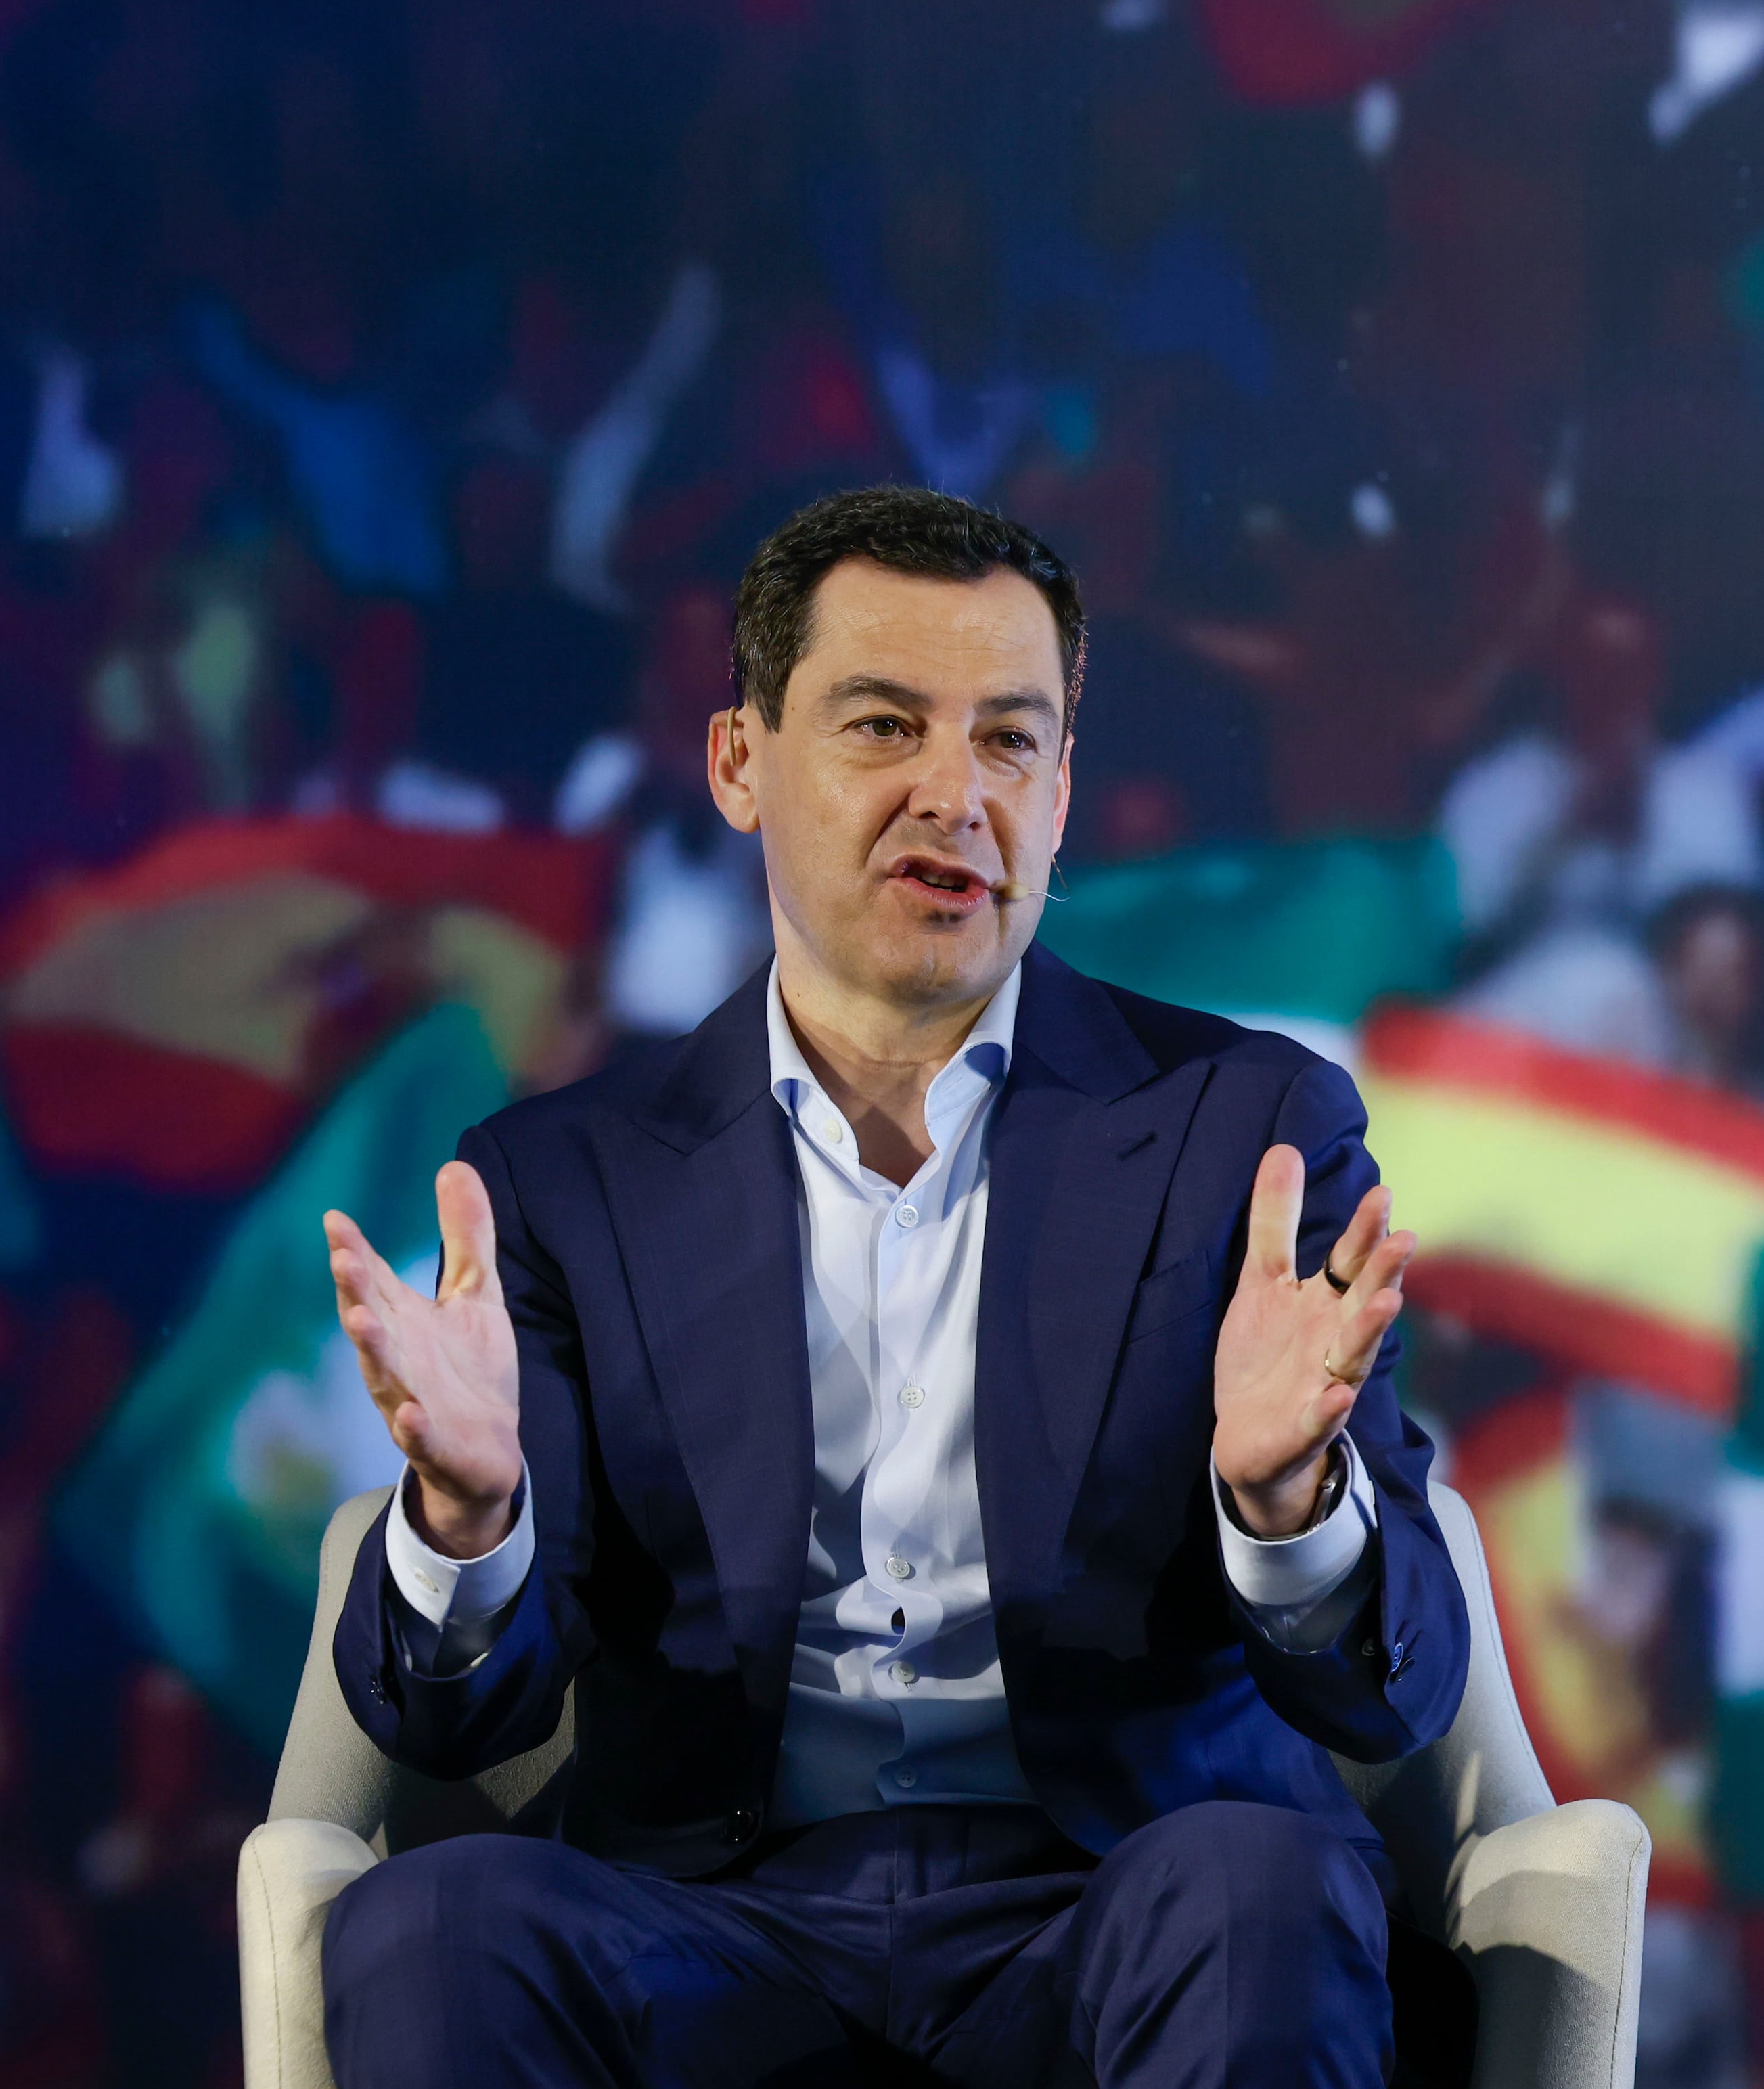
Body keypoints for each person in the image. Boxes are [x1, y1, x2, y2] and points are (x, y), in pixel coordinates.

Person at [311, 485, 1471, 2087]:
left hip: (1122, 1897)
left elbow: (1395, 1682)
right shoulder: (563, 1180)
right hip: (712, 1917)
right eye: (883, 725)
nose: (956, 792)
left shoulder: (1249, 1133)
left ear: (1063, 794)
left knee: (1254, 1885)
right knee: (434, 1921)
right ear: (738, 763)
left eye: (1010, 740)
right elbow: (451, 1725)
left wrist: (1284, 1505)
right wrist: (464, 1521)